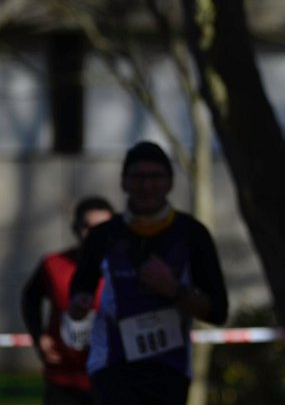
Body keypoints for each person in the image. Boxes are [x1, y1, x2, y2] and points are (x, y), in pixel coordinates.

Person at [68, 141, 228, 405]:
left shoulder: (191, 234)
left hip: (170, 370)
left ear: (170, 182)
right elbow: (78, 295)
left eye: (155, 177)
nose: (147, 186)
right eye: (138, 177)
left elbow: (218, 312)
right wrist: (78, 308)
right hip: (112, 365)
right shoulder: (103, 235)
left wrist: (174, 289)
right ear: (124, 182)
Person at [21, 196, 115, 405]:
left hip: (112, 376)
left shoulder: (126, 268)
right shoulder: (53, 264)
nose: (95, 235)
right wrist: (38, 335)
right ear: (76, 228)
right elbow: (30, 298)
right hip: (64, 378)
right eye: (88, 227)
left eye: (103, 228)